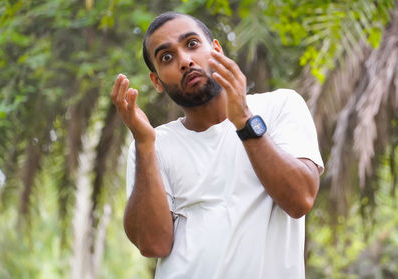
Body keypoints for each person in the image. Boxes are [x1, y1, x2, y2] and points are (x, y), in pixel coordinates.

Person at [110, 11, 324, 279]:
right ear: (157, 82)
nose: (185, 61)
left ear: (216, 50)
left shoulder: (280, 107)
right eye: (167, 57)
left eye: (191, 44)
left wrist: (244, 120)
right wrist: (143, 144)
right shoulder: (153, 145)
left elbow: (300, 199)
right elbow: (153, 244)